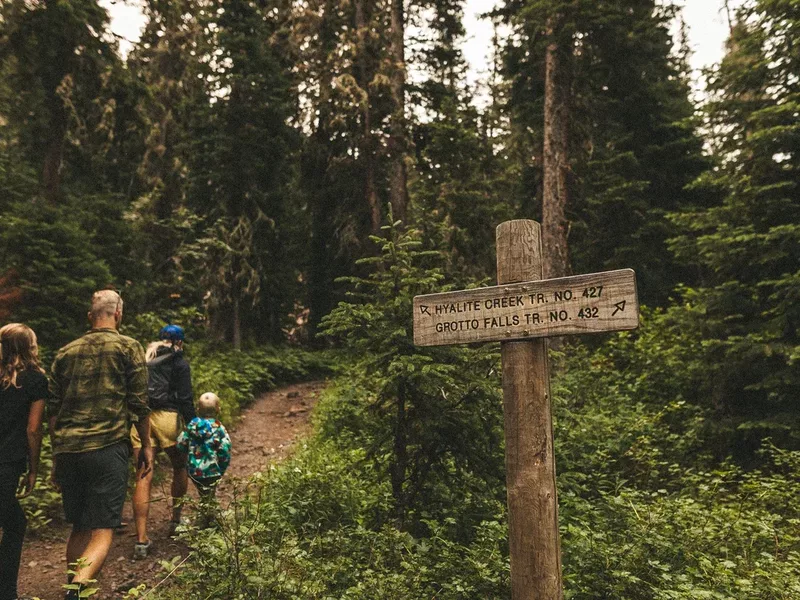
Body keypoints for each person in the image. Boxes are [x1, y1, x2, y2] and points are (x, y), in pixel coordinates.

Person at [49, 290, 153, 600]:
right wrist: (145, 444)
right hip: (107, 448)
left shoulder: (65, 352)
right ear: (118, 315)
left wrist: (56, 456)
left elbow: (53, 412)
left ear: (90, 316)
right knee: (103, 528)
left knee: (79, 527)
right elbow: (139, 403)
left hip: (68, 450)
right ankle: (76, 592)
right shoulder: (127, 347)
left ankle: (75, 587)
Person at [131, 324, 195, 559]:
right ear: (179, 342)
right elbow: (186, 399)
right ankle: (176, 521)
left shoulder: (143, 359)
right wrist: (194, 425)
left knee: (143, 474)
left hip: (141, 420)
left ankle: (140, 540)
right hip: (168, 418)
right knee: (180, 466)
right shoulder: (179, 362)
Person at [0, 324, 47, 600]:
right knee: (15, 523)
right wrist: (33, 469)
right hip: (7, 461)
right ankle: (7, 592)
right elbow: (33, 429)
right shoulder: (34, 379)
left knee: (14, 521)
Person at [176, 392, 231, 526]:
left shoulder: (191, 426)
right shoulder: (219, 428)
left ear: (198, 409)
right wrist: (222, 467)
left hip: (195, 471)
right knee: (209, 494)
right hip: (213, 470)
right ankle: (210, 521)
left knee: (203, 493)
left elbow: (181, 443)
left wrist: (187, 457)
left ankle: (207, 518)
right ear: (218, 409)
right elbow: (225, 449)